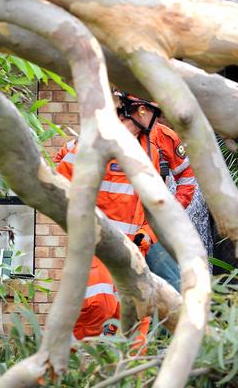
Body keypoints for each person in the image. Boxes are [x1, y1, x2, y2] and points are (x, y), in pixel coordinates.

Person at [55, 91, 195, 342]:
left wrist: (156, 225)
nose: (160, 119)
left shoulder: (154, 143)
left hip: (139, 238)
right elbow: (61, 177)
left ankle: (138, 369)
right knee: (98, 304)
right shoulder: (101, 136)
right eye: (155, 112)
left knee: (140, 307)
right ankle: (75, 364)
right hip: (99, 241)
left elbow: (178, 182)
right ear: (141, 110)